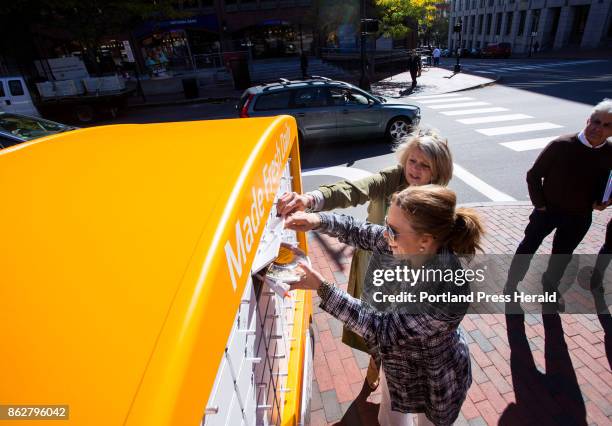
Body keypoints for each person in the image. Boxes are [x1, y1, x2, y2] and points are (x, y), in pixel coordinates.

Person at [286, 185, 484, 426]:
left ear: (424, 241)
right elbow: (359, 230)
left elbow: (381, 328)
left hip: (432, 377)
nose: (385, 234)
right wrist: (315, 219)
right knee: (390, 419)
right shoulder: (402, 241)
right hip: (397, 363)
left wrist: (322, 286)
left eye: (392, 230)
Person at [277, 130, 453, 390]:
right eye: (412, 161)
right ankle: (376, 360)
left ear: (436, 171)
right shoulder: (392, 180)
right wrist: (311, 202)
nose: (414, 169)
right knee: (372, 322)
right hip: (373, 263)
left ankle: (386, 366)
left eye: (424, 165)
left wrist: (323, 287)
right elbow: (357, 194)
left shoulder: (436, 207)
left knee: (387, 328)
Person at [505, 99, 612, 312]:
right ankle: (511, 284)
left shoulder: (610, 153)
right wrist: (541, 206)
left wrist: (605, 202)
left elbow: (610, 185)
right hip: (547, 211)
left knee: (562, 255)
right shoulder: (561, 145)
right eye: (596, 121)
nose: (598, 128)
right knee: (528, 247)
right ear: (587, 120)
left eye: (606, 125)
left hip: (579, 216)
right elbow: (533, 176)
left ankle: (550, 288)